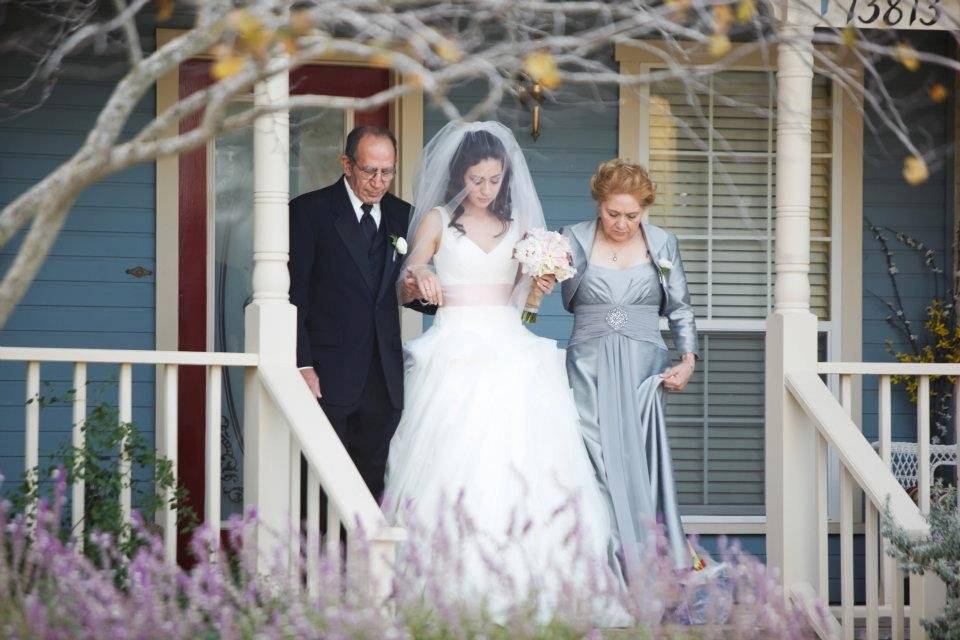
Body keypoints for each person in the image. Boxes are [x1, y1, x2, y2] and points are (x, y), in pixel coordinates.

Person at [383, 122, 617, 614]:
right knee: (455, 459)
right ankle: (453, 586)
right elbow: (409, 277)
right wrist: (421, 276)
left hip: (510, 342)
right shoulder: (437, 222)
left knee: (522, 457)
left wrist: (539, 286)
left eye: (494, 179)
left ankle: (534, 582)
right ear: (459, 177)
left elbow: (526, 307)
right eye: (477, 180)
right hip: (455, 346)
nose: (486, 190)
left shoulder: (519, 229)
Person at [561, 159, 698, 581]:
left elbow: (680, 309)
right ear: (599, 204)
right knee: (595, 462)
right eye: (612, 213)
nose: (621, 224)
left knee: (639, 464)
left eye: (632, 215)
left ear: (645, 209)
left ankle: (648, 572)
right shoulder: (572, 239)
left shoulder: (662, 244)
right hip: (589, 366)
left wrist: (688, 360)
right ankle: (602, 574)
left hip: (643, 369)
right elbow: (551, 294)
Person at [288, 125, 432, 503]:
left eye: (388, 172)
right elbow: (294, 296)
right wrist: (302, 364)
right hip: (326, 373)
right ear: (347, 164)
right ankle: (315, 562)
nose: (379, 182)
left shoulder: (405, 216)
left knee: (372, 485)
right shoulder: (309, 212)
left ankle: (361, 562)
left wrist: (422, 293)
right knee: (319, 485)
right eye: (370, 170)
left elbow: (410, 295)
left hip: (384, 378)